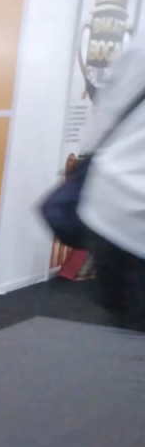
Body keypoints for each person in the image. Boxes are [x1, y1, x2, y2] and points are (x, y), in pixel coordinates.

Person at [78, 42, 145, 332]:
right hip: (122, 218)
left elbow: (104, 118)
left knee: (125, 325)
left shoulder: (139, 50)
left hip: (110, 209)